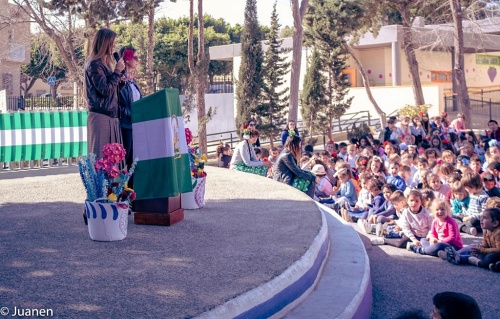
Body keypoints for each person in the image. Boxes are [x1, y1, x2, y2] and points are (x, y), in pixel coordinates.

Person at [85, 28, 125, 158]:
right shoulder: (94, 65)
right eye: (112, 43)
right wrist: (117, 72)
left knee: (113, 162)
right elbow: (105, 90)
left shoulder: (105, 65)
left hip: (111, 117)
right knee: (101, 160)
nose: (114, 46)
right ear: (104, 44)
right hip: (100, 116)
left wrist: (121, 79)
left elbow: (112, 90)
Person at [118, 46, 142, 174]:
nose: (138, 60)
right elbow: (117, 105)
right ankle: (120, 191)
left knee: (134, 161)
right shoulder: (119, 79)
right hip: (125, 125)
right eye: (136, 57)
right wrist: (131, 114)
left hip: (135, 125)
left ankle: (132, 190)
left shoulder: (132, 81)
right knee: (125, 160)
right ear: (127, 59)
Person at [273, 134, 319, 198]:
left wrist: (312, 175)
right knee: (311, 180)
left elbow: (298, 170)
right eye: (299, 146)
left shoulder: (288, 153)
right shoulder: (286, 155)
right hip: (283, 182)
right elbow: (298, 173)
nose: (300, 148)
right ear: (294, 145)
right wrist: (314, 178)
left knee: (311, 176)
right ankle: (310, 203)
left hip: (287, 179)